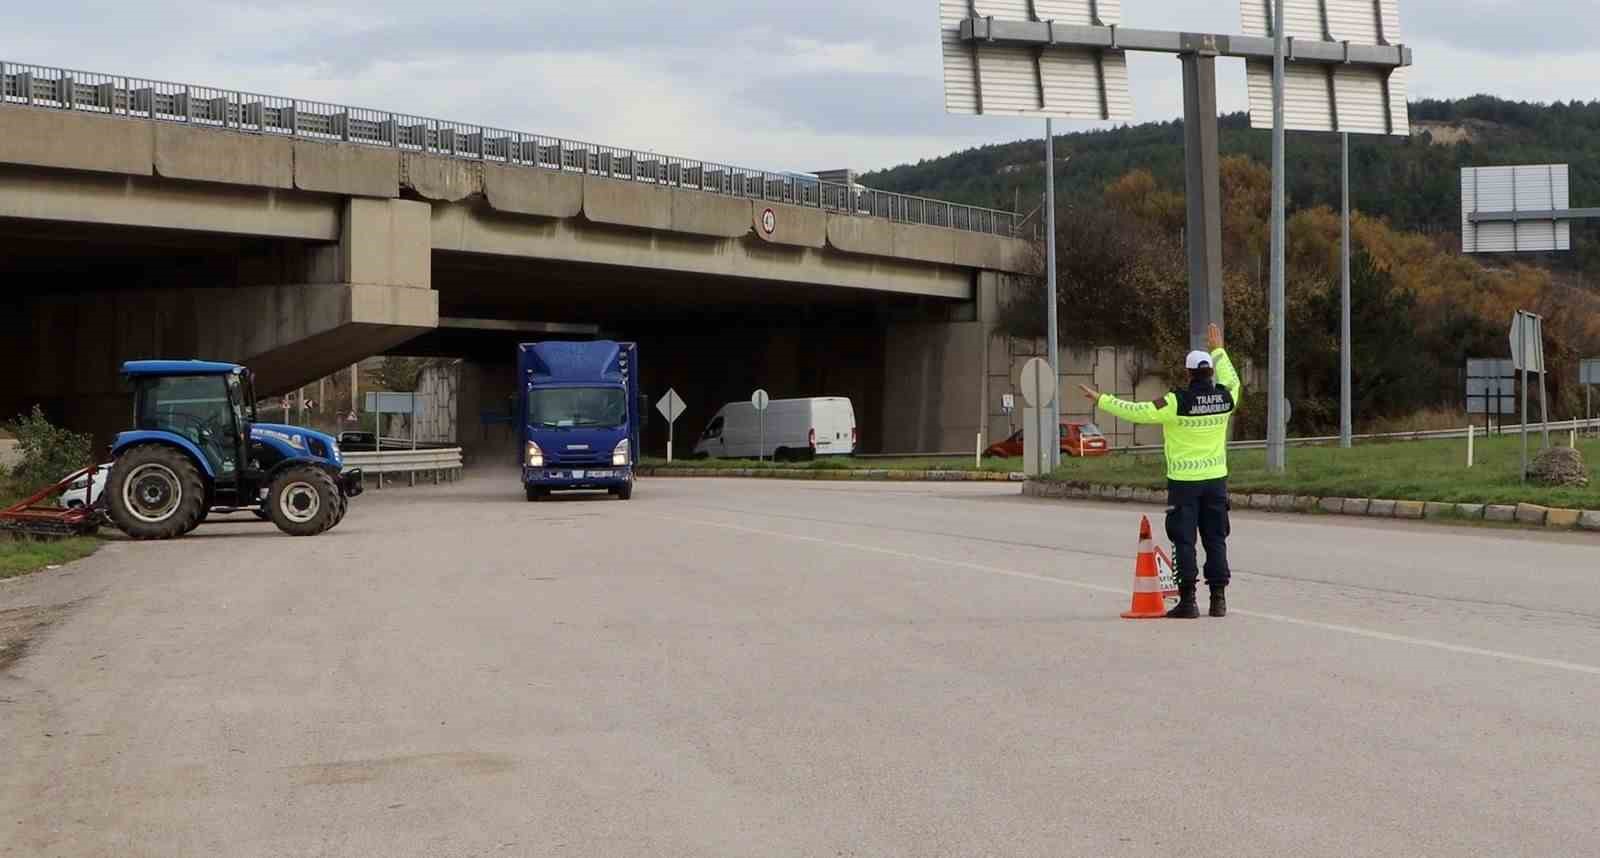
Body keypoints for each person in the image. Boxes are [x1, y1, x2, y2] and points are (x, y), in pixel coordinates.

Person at [1078, 323, 1241, 619]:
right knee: (1216, 538)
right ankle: (1219, 600)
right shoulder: (1225, 398)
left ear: (1188, 373)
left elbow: (1136, 411)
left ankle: (1188, 601)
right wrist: (1219, 350)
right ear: (1210, 373)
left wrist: (1102, 400)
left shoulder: (1175, 401)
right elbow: (1233, 381)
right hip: (1216, 481)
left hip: (1183, 483)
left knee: (1183, 540)